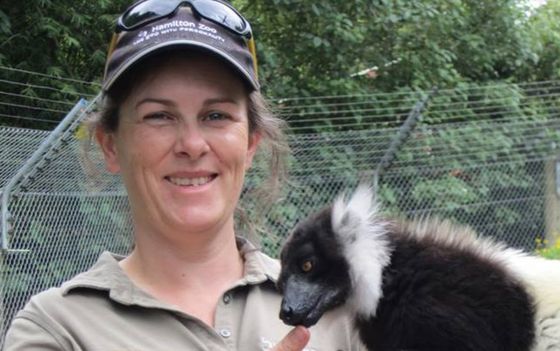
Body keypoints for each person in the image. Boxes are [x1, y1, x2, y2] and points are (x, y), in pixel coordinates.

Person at [2, 1, 362, 350]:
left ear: (251, 144)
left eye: (216, 116)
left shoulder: (341, 309)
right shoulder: (57, 329)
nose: (192, 144)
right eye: (159, 115)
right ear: (110, 146)